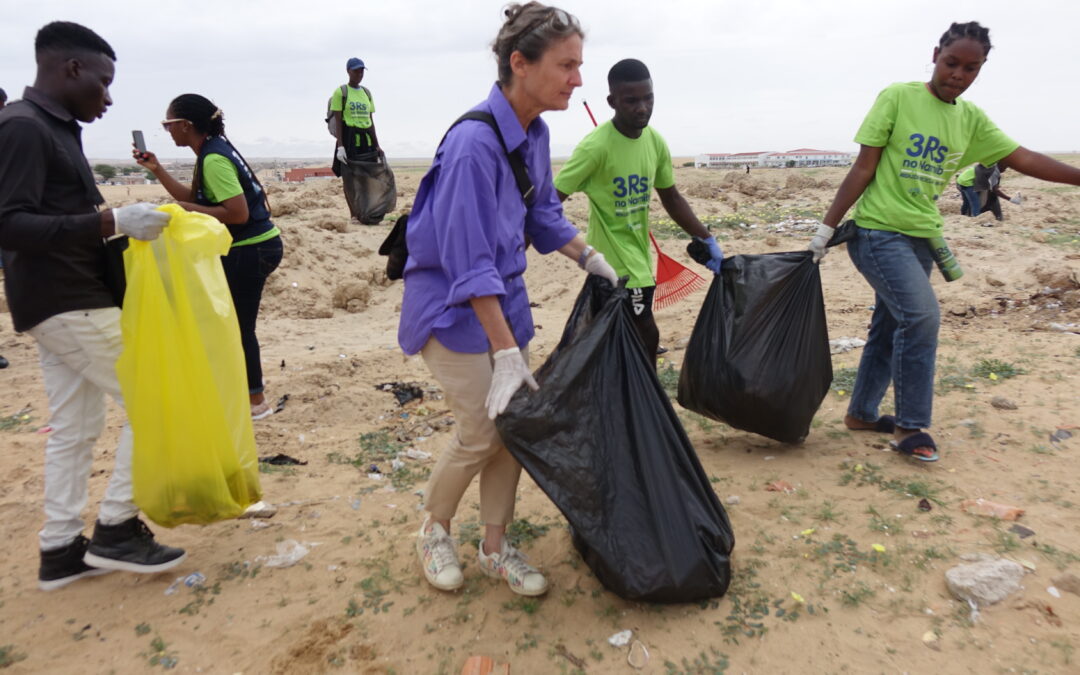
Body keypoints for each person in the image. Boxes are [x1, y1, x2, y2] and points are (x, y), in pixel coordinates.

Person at [400, 2, 616, 597]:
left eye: (580, 65)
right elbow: (468, 266)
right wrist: (506, 354)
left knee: (514, 425)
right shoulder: (473, 145)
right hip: (452, 310)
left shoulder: (536, 133)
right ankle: (434, 529)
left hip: (505, 305)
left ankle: (494, 546)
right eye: (567, 65)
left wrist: (590, 258)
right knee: (480, 431)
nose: (578, 79)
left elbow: (543, 213)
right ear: (520, 64)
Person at [809, 21, 1080, 462]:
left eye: (971, 68)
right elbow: (863, 167)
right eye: (952, 63)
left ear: (981, 69)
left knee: (891, 325)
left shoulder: (970, 120)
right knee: (921, 318)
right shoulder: (898, 96)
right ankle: (911, 426)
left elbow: (1024, 157)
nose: (958, 74)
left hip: (922, 239)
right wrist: (826, 228)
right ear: (936, 55)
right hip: (877, 233)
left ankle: (861, 413)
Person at [0, 21, 186, 591]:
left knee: (77, 427)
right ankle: (116, 529)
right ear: (70, 69)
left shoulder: (50, 128)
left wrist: (117, 231)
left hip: (64, 297)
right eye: (103, 84)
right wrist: (108, 221)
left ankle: (59, 550)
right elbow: (9, 222)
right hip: (66, 299)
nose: (108, 98)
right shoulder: (24, 128)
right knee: (158, 396)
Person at [555, 58, 723, 365]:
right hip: (610, 263)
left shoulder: (655, 142)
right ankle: (643, 400)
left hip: (640, 258)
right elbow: (550, 202)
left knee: (613, 334)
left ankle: (622, 398)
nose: (642, 107)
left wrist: (706, 238)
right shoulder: (595, 148)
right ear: (612, 101)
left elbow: (671, 197)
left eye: (648, 98)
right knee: (644, 331)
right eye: (631, 101)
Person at [135, 95, 283, 420]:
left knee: (238, 326)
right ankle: (241, 392)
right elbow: (197, 198)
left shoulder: (214, 159)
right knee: (228, 323)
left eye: (168, 124)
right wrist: (157, 169)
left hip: (251, 247)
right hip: (255, 246)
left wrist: (182, 211)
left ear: (185, 125)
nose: (167, 130)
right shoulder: (212, 150)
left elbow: (237, 213)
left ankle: (256, 402)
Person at [330, 58, 379, 163]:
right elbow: (338, 122)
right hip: (350, 143)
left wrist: (377, 146)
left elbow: (370, 122)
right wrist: (340, 147)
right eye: (356, 71)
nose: (359, 74)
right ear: (348, 71)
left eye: (361, 71)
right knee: (353, 178)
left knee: (370, 178)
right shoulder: (341, 92)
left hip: (368, 142)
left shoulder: (367, 93)